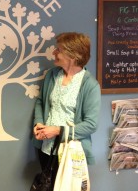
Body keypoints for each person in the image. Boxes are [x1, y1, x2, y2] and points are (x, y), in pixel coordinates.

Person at [32, 32, 101, 188]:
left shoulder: (90, 85)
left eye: (59, 50)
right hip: (46, 148)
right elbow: (40, 101)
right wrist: (39, 123)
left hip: (71, 152)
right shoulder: (52, 75)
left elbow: (91, 124)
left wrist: (57, 131)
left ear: (73, 56)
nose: (54, 52)